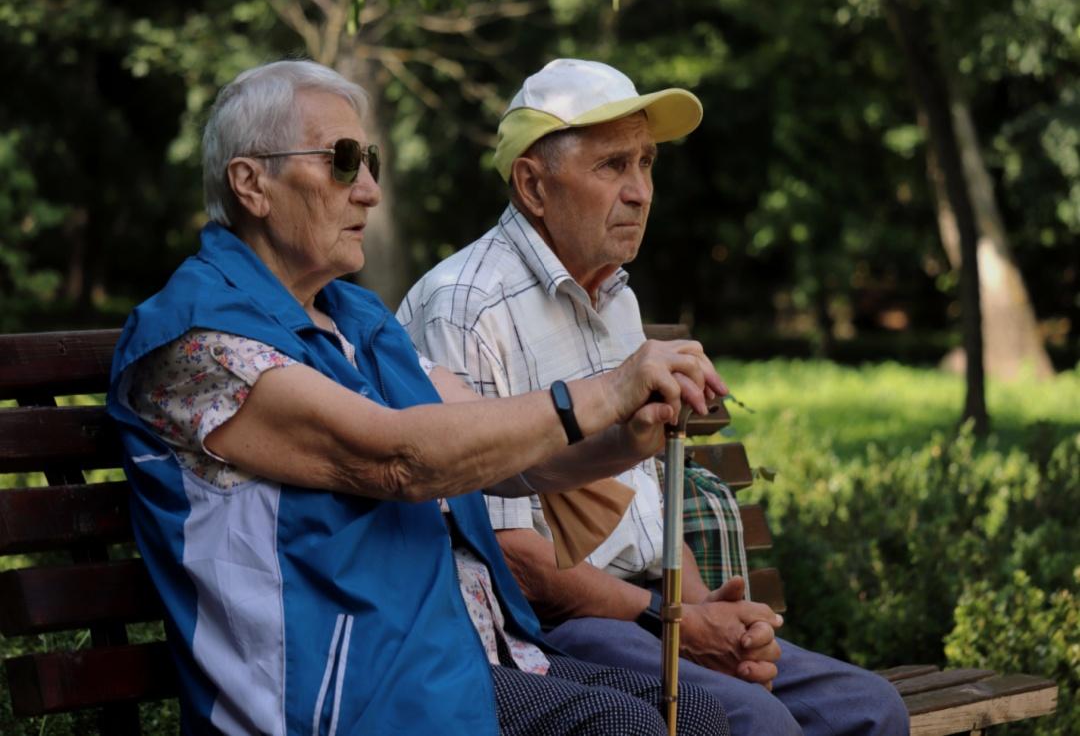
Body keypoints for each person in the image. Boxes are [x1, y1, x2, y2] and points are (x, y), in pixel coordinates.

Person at [105, 60, 733, 736]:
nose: (370, 191)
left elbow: (501, 456)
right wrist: (609, 389)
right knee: (626, 729)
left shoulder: (352, 319)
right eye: (343, 162)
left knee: (693, 714)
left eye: (369, 161)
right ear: (251, 183)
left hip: (444, 661)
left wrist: (622, 440)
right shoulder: (200, 344)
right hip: (337, 696)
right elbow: (397, 460)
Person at [398, 58, 910, 736]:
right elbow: (512, 557)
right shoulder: (465, 305)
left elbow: (648, 503)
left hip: (653, 610)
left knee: (872, 711)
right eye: (613, 166)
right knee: (761, 727)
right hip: (565, 629)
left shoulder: (616, 296)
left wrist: (708, 613)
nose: (640, 191)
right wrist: (677, 622)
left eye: (646, 164)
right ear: (533, 184)